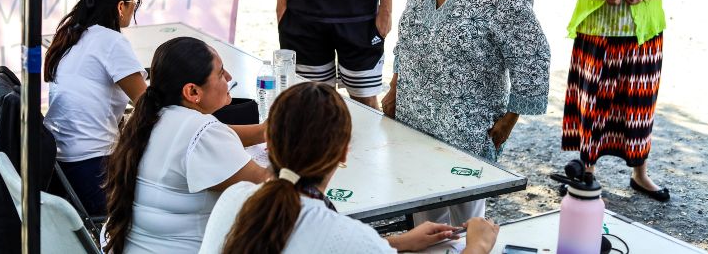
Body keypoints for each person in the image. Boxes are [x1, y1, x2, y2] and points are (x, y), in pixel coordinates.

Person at [382, 0, 550, 226]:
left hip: (469, 130)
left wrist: (509, 120)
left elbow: (531, 54)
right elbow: (409, 36)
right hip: (415, 118)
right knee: (424, 219)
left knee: (466, 224)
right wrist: (395, 87)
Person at [198, 82, 501, 254]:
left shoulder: (235, 199)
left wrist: (397, 242)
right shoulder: (349, 238)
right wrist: (477, 246)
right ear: (343, 153)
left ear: (269, 145)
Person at [561, 0, 678, 202]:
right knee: (593, 104)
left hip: (643, 38)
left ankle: (640, 175)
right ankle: (587, 172)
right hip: (597, 34)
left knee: (638, 107)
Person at [102, 37, 270, 253]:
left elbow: (218, 135)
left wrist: (264, 131)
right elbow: (269, 184)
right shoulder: (202, 132)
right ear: (192, 92)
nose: (229, 77)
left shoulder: (151, 118)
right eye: (220, 73)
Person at [43, 0, 148, 215]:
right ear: (121, 6)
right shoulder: (112, 42)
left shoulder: (70, 34)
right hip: (92, 173)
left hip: (58, 170)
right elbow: (147, 103)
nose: (134, 9)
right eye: (134, 2)